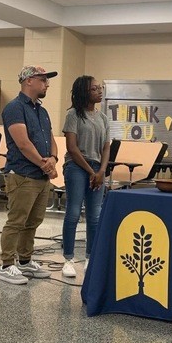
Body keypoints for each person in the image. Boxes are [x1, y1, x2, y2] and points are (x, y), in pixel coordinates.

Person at [0, 65, 58, 285]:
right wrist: (46, 166)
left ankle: (24, 260)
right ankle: (7, 265)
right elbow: (23, 144)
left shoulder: (42, 111)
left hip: (40, 176)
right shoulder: (14, 108)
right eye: (43, 80)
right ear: (29, 81)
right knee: (16, 221)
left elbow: (51, 139)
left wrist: (53, 158)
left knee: (33, 221)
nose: (47, 84)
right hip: (22, 174)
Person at [61, 76, 110, 277]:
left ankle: (90, 258)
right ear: (84, 92)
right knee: (73, 212)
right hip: (76, 166)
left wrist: (101, 172)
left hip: (97, 168)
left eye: (100, 88)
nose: (100, 91)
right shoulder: (73, 115)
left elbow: (106, 148)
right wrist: (91, 172)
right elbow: (72, 148)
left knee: (95, 216)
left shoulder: (103, 118)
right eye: (94, 89)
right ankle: (68, 259)